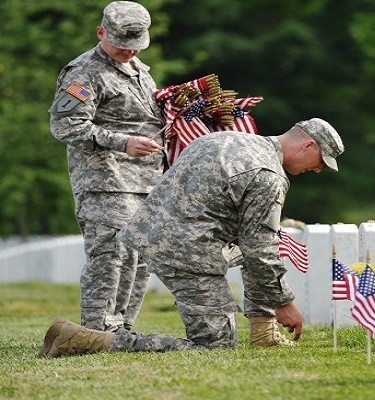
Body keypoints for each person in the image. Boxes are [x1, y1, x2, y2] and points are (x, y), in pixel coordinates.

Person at [37, 118, 344, 358]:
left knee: (262, 247)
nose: (317, 170)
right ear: (308, 146)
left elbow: (253, 245)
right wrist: (284, 302)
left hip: (151, 234)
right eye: (321, 162)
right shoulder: (268, 175)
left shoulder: (224, 138)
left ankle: (263, 333)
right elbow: (259, 249)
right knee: (217, 345)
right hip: (189, 253)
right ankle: (85, 339)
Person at [48, 1, 164, 332]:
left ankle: (122, 328)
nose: (129, 51)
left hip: (146, 180)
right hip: (104, 179)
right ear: (101, 33)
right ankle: (97, 331)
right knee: (111, 254)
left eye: (135, 45)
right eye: (121, 45)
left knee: (141, 257)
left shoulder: (139, 69)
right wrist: (121, 141)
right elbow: (65, 126)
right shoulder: (83, 72)